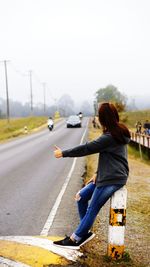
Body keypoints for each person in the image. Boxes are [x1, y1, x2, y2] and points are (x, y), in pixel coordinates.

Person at [53, 102, 131, 249]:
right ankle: (85, 232)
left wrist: (63, 153)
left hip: (112, 179)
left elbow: (87, 148)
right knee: (81, 197)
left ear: (102, 119)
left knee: (92, 208)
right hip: (107, 175)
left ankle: (75, 238)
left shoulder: (110, 136)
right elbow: (111, 157)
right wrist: (97, 173)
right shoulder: (117, 132)